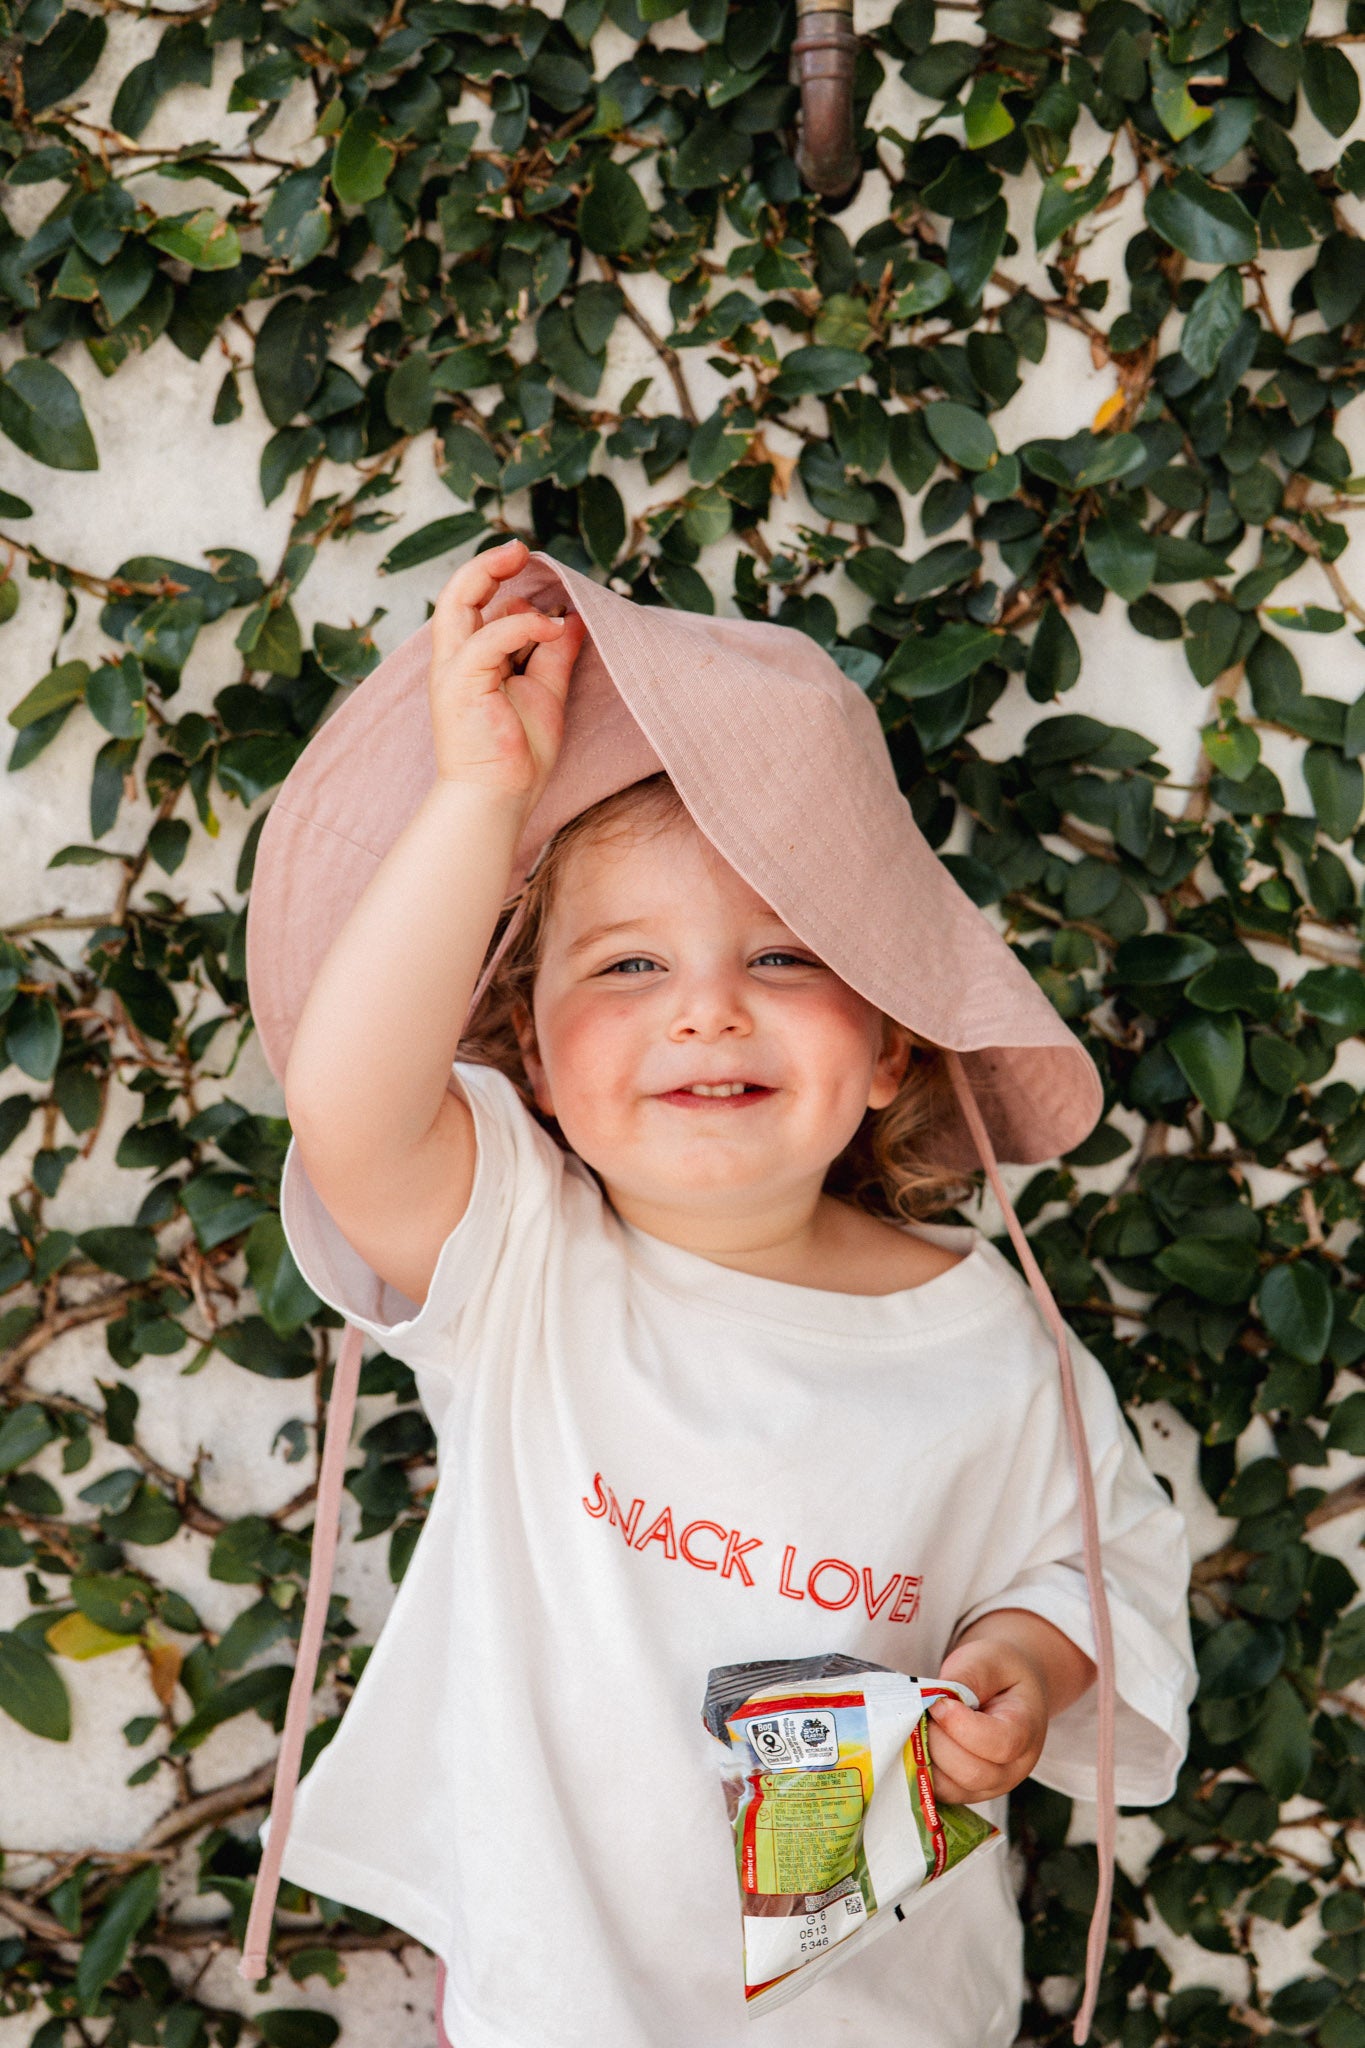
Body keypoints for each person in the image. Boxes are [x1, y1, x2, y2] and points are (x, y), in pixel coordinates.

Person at [239, 537, 1196, 2048]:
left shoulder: (992, 1348)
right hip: (550, 2009)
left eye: (779, 954)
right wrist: (480, 797)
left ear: (889, 1048)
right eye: (624, 968)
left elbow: (1099, 1572)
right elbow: (350, 1110)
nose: (704, 1006)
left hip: (878, 2020)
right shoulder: (522, 1261)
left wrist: (1018, 1666)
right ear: (534, 1063)